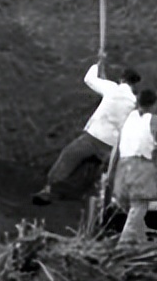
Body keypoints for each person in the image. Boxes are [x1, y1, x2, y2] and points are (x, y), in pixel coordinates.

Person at [33, 51, 140, 205]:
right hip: (111, 145)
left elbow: (89, 79)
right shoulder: (133, 102)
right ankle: (93, 197)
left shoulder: (112, 88)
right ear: (134, 84)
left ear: (121, 78)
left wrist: (97, 64)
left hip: (92, 138)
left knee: (69, 157)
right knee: (94, 171)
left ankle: (50, 189)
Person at [105, 88, 157, 245]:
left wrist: (110, 177)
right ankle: (121, 249)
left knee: (136, 220)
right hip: (140, 171)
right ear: (154, 104)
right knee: (137, 211)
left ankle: (142, 246)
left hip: (122, 174)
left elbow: (115, 151)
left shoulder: (126, 120)